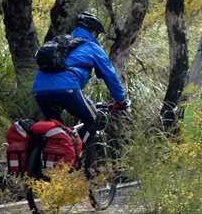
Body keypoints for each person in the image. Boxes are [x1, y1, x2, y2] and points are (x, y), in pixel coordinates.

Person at [32, 12, 129, 145]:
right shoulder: (92, 47)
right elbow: (110, 75)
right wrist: (121, 100)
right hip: (68, 89)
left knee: (55, 130)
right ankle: (78, 160)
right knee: (92, 120)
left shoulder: (60, 43)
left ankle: (44, 158)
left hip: (39, 90)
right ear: (93, 32)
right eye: (97, 34)